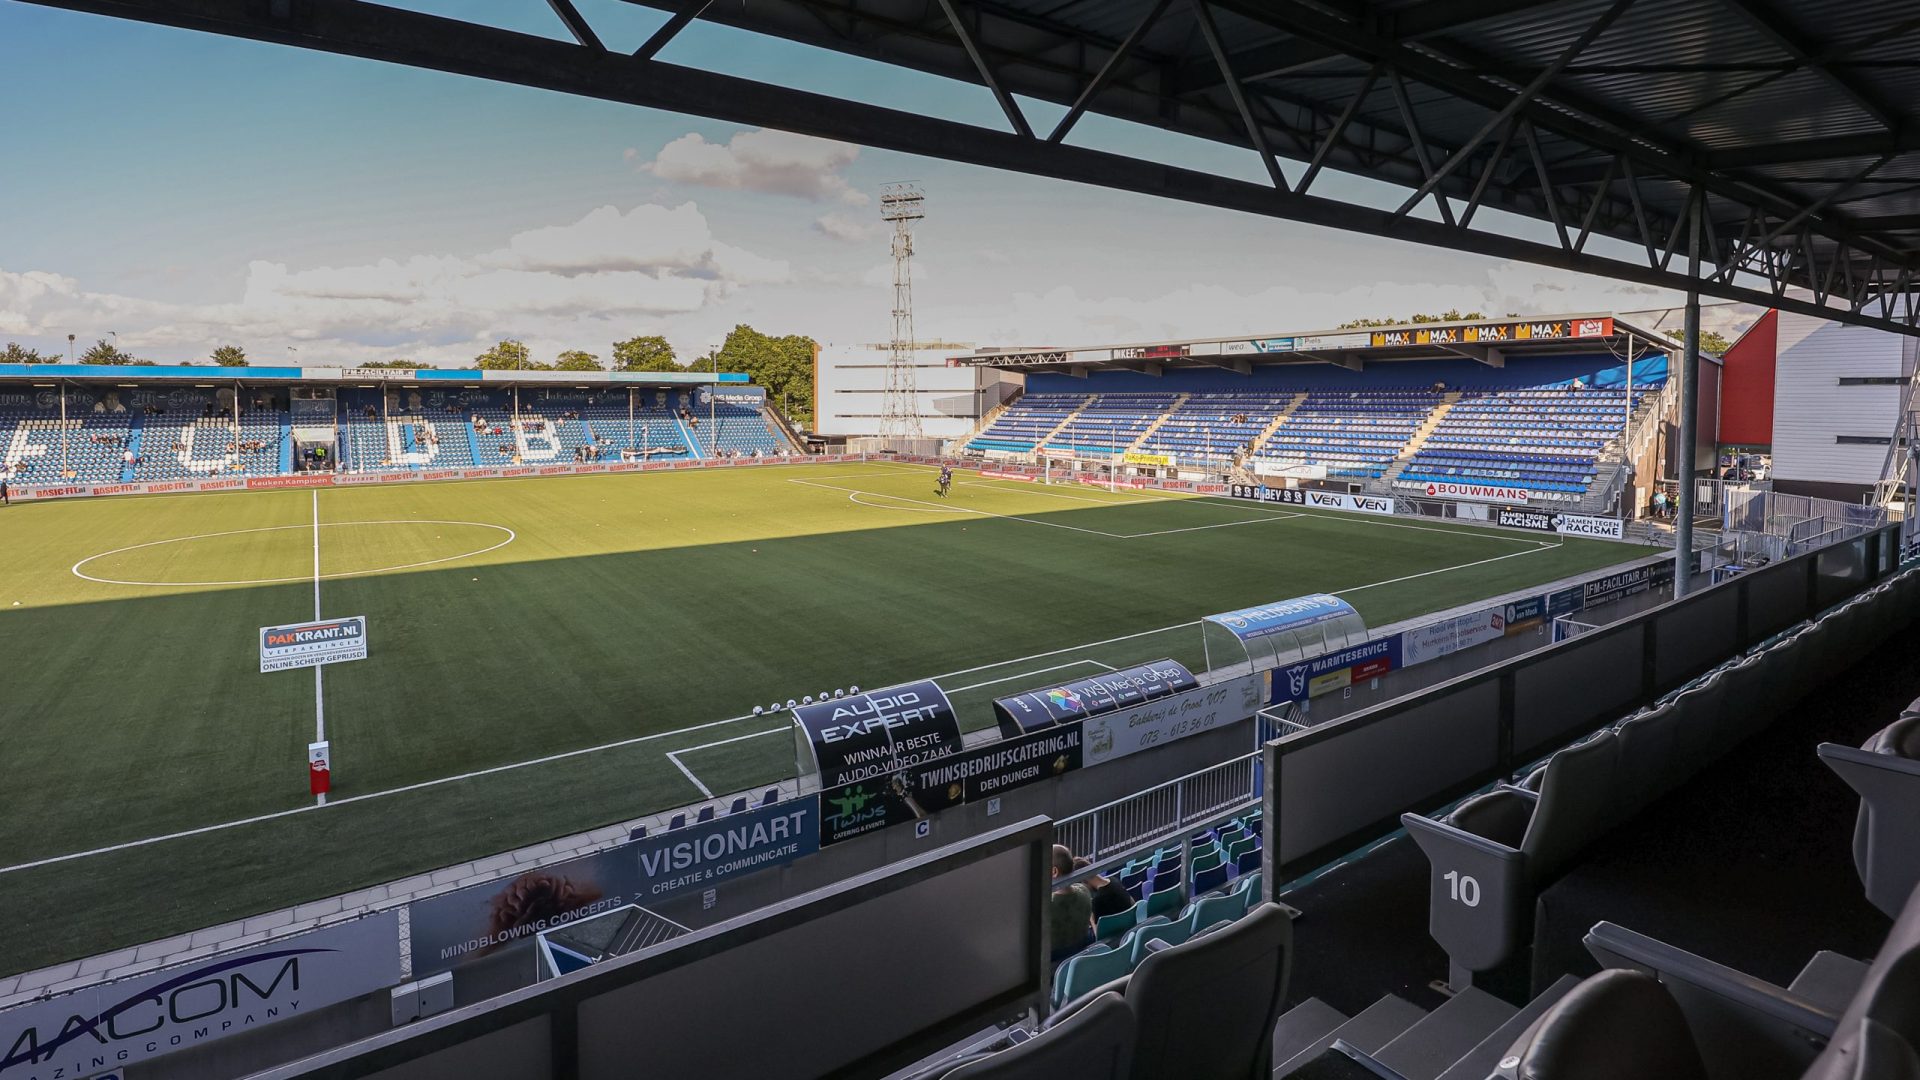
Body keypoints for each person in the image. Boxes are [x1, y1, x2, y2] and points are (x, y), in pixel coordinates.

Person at [1047, 844, 1095, 963]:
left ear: (1054, 871)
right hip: (1080, 953)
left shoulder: (1047, 906)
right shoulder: (1084, 890)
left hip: (1054, 959)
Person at [1075, 856, 1133, 922]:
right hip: (1130, 924)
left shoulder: (1097, 901)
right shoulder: (1115, 880)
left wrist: (1091, 916)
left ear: (1083, 881)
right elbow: (1132, 902)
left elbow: (1098, 932)